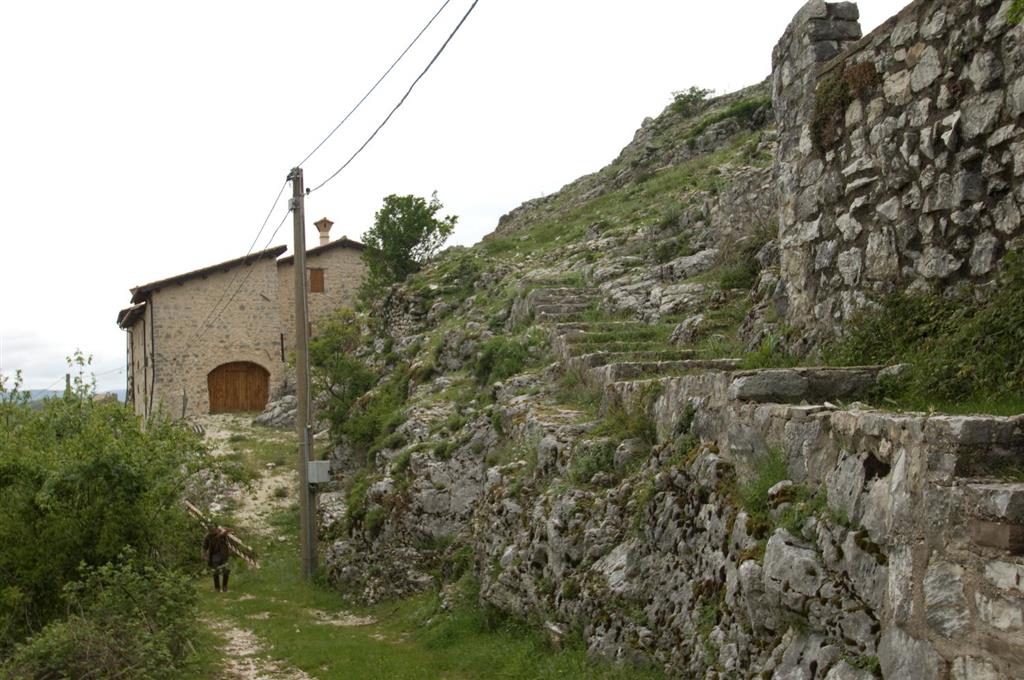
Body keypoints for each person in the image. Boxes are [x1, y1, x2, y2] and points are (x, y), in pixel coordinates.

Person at [202, 526, 231, 592]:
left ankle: (224, 587)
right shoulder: (208, 537)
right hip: (214, 555)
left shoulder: (223, 534)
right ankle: (217, 588)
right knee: (215, 572)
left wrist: (225, 531)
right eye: (211, 530)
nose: (214, 531)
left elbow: (229, 531)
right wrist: (204, 554)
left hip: (223, 555)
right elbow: (204, 546)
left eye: (214, 529)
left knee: (225, 570)